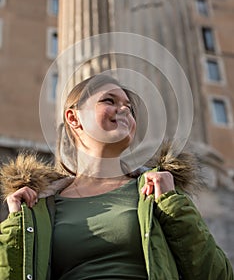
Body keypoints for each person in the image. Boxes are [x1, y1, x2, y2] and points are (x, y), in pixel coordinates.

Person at [0, 74, 233, 280]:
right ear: (74, 118)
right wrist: (17, 225)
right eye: (109, 101)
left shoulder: (159, 192)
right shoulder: (39, 205)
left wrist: (175, 206)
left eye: (129, 107)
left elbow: (217, 274)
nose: (123, 110)